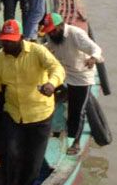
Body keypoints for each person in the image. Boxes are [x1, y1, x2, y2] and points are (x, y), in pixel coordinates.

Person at [0, 19, 65, 185]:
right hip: (14, 113)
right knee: (10, 153)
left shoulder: (37, 52)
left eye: (11, 41)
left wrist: (52, 84)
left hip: (40, 114)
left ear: (20, 38)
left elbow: (57, 69)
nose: (7, 44)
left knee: (34, 161)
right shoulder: (0, 58)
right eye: (4, 41)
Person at [40, 13, 103, 155]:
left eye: (53, 30)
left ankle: (75, 142)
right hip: (64, 73)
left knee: (77, 111)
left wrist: (93, 58)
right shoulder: (53, 36)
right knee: (49, 100)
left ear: (61, 26)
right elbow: (47, 46)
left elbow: (96, 49)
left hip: (81, 77)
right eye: (48, 31)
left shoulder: (76, 34)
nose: (51, 34)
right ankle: (55, 131)